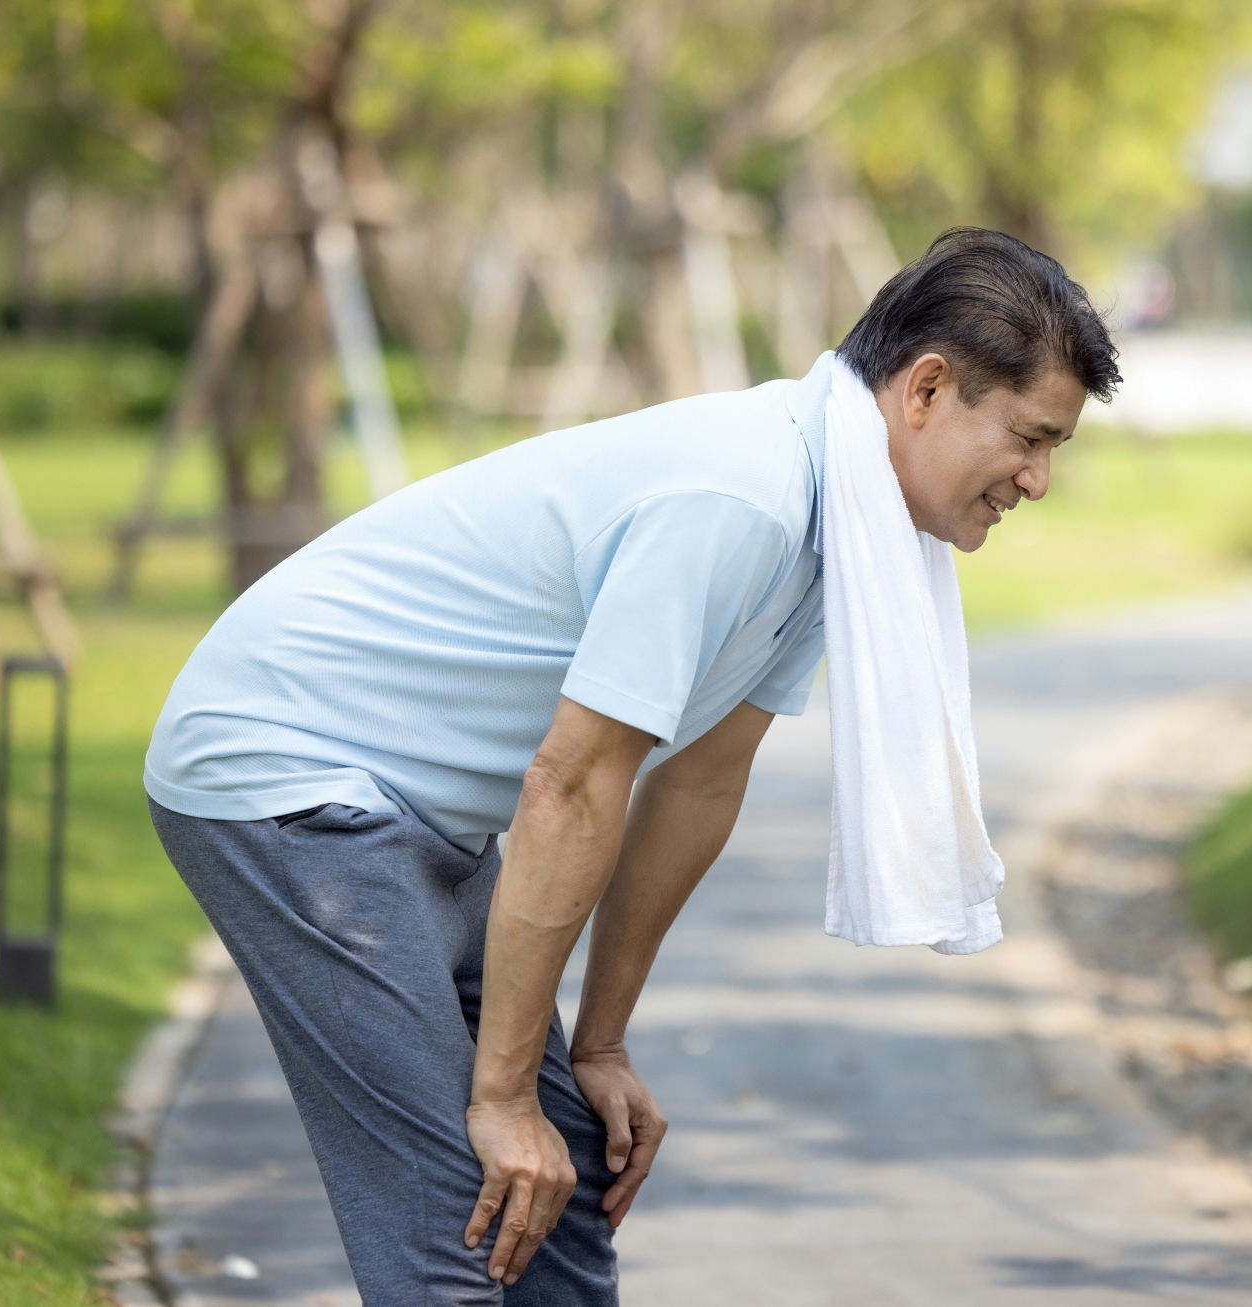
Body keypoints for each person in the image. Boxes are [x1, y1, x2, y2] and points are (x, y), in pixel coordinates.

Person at [144, 226, 1120, 1305]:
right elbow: (572, 782)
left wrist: (597, 1044)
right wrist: (502, 1090)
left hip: (422, 814)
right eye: (1031, 438)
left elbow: (698, 781)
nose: (1035, 479)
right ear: (927, 388)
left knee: (561, 1197)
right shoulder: (742, 496)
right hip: (287, 771)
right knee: (457, 1225)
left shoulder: (835, 520)